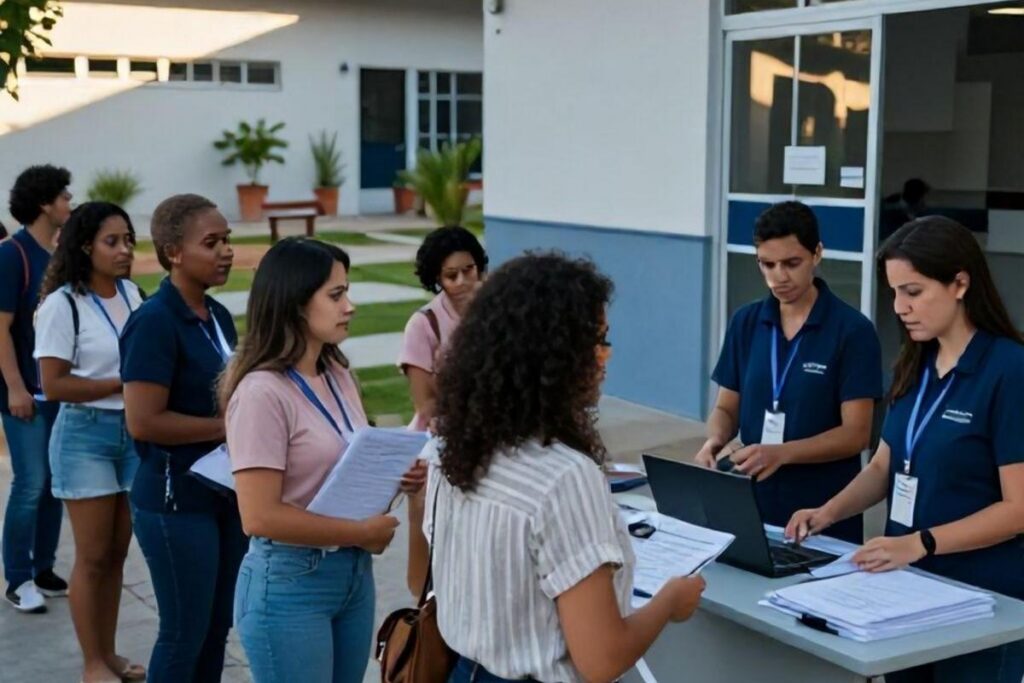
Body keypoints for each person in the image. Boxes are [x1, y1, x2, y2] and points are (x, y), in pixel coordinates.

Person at [407, 253, 706, 683]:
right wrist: (669, 601)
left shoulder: (450, 449)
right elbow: (601, 659)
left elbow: (423, 576)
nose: (605, 359)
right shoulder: (564, 477)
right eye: (596, 342)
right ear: (552, 358)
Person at [787, 216, 1024, 682]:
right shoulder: (916, 362)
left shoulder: (1009, 371)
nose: (899, 307)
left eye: (913, 292)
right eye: (894, 293)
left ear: (960, 283)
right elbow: (884, 465)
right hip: (904, 595)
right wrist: (828, 512)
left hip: (980, 600)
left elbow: (1019, 508)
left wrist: (919, 543)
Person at [223, 238, 403, 683]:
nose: (350, 306)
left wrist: (398, 476)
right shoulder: (262, 392)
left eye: (347, 292)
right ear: (296, 303)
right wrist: (361, 532)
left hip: (352, 575)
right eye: (336, 295)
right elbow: (258, 515)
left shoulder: (336, 372)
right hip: (291, 582)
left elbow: (342, 469)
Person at [695, 201, 882, 542]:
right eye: (767, 265)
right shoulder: (746, 322)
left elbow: (857, 434)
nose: (779, 277)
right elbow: (726, 408)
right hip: (752, 501)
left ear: (817, 254)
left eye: (791, 263)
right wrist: (715, 440)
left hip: (821, 510)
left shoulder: (852, 331)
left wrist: (781, 453)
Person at [120, 194, 246, 683]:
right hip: (174, 501)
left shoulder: (217, 315)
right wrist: (228, 428)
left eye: (227, 241)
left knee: (217, 628)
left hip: (222, 492)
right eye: (211, 243)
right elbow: (144, 422)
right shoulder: (154, 321)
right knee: (183, 632)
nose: (226, 252)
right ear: (174, 252)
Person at [35, 202, 145, 682]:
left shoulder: (134, 294)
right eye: (112, 242)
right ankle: (92, 662)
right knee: (93, 555)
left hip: (135, 434)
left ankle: (111, 652)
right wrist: (124, 384)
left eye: (128, 240)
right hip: (85, 434)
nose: (124, 251)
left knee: (118, 554)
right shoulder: (63, 303)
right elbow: (54, 385)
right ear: (85, 247)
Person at [0, 164, 72, 613]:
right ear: (45, 203)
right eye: (64, 196)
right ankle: (18, 578)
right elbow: (0, 328)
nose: (70, 202)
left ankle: (43, 567)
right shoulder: (13, 255)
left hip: (58, 391)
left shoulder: (61, 255)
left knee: (53, 484)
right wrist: (14, 387)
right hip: (24, 390)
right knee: (30, 482)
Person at [398, 226, 487, 430]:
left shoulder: (497, 310)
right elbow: (426, 405)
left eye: (468, 270)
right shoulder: (423, 324)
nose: (462, 282)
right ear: (437, 278)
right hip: (442, 432)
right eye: (451, 275)